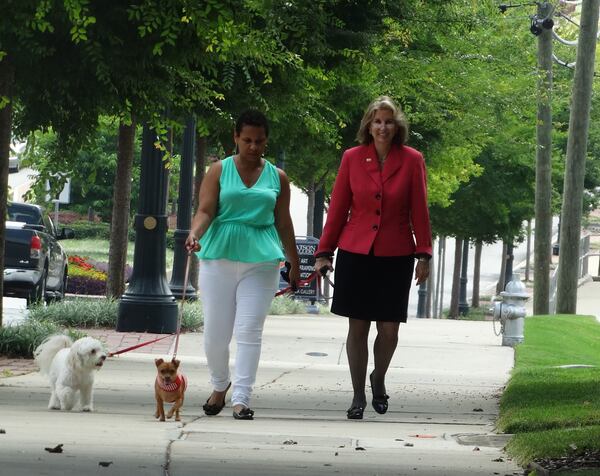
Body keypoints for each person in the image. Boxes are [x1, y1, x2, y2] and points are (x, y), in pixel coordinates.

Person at [314, 96, 432, 420]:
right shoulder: (352, 158)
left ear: (397, 127)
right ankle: (357, 396)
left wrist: (424, 253)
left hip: (396, 253)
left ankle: (378, 378)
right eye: (377, 121)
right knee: (358, 327)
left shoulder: (412, 160)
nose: (382, 127)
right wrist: (324, 252)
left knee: (390, 330)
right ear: (368, 125)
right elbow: (337, 208)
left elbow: (420, 210)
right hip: (356, 252)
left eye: (389, 122)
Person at [185, 109, 300, 420]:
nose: (253, 147)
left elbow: (283, 222)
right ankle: (220, 385)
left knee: (249, 330)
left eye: (259, 141)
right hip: (218, 256)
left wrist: (294, 261)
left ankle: (241, 397)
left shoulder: (278, 177)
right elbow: (206, 211)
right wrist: (195, 234)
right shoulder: (219, 170)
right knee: (216, 334)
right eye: (246, 140)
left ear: (266, 141)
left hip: (261, 260)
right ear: (235, 138)